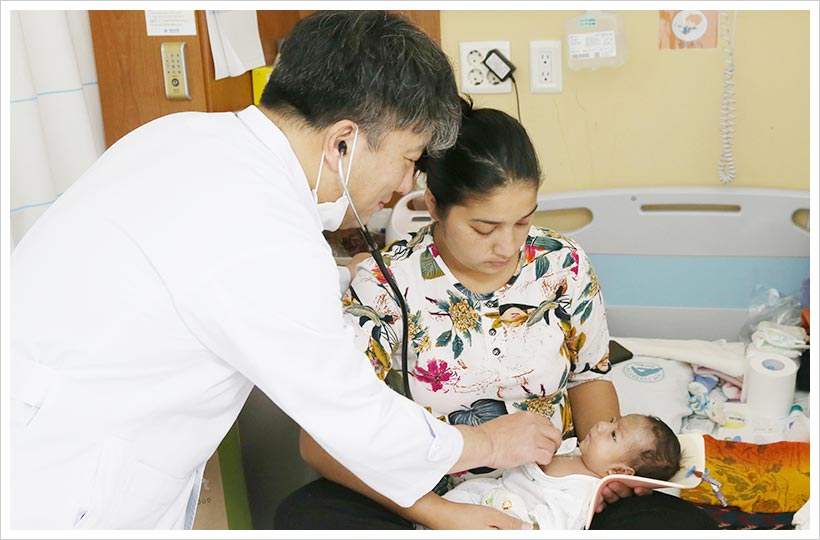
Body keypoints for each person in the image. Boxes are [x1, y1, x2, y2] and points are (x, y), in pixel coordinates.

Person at [9, 12, 564, 529]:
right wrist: (487, 444)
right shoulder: (265, 231)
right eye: (409, 158)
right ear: (343, 141)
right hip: (59, 483)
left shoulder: (181, 137)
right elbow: (352, 416)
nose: (405, 186)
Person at [276, 97, 622, 530]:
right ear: (435, 204)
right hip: (435, 496)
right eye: (484, 228)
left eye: (523, 222)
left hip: (556, 487)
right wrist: (442, 515)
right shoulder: (387, 283)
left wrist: (601, 476)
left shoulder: (561, 265)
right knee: (305, 516)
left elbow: (589, 375)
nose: (509, 246)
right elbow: (321, 441)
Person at [441, 414, 681, 530]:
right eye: (611, 421)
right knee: (456, 500)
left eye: (613, 434)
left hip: (510, 516)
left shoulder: (581, 493)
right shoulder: (572, 449)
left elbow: (551, 528)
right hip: (490, 490)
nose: (600, 425)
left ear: (618, 470)